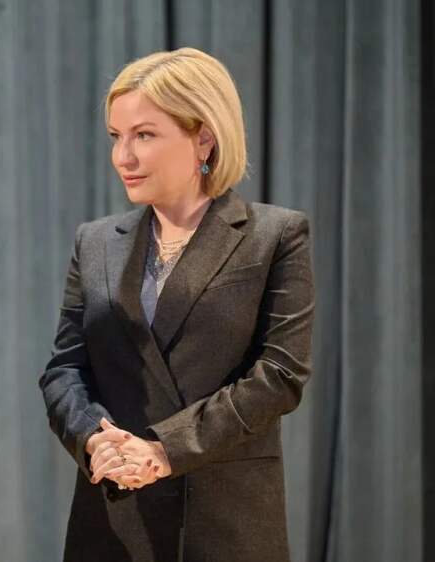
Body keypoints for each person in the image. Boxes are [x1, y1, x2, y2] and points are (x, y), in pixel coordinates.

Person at [39, 47, 314, 562]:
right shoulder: (94, 243)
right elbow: (64, 370)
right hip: (114, 518)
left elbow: (279, 375)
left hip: (225, 521)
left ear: (203, 138)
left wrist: (166, 449)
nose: (123, 157)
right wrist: (94, 439)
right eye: (116, 137)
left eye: (144, 135)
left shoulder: (276, 236)